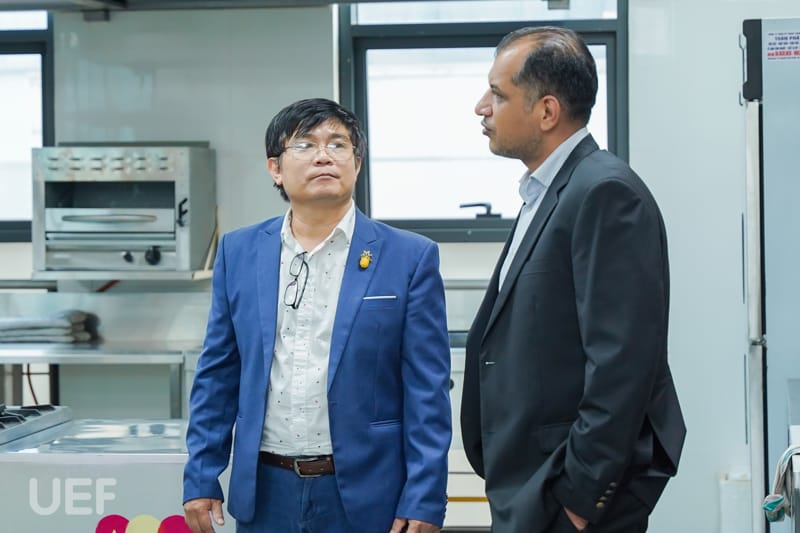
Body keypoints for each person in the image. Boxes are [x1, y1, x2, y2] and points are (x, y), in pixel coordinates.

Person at [183, 98, 451, 533]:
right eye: (305, 145)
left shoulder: (409, 256)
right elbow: (218, 374)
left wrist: (425, 497)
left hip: (367, 492)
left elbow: (427, 389)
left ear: (357, 164)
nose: (324, 155)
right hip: (266, 490)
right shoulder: (239, 251)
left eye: (338, 144)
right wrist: (201, 474)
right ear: (275, 168)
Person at [460, 27, 686, 533]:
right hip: (532, 484)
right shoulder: (548, 191)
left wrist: (580, 501)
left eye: (498, 94)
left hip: (570, 494)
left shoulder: (605, 192)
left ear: (547, 111)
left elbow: (621, 364)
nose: (481, 107)